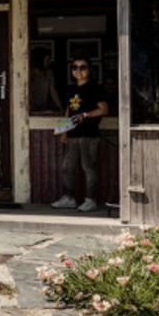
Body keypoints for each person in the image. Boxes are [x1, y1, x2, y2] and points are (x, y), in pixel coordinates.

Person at [52, 58, 109, 212]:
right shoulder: (70, 89)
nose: (78, 70)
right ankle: (69, 198)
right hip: (72, 134)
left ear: (89, 69)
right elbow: (68, 111)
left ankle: (91, 200)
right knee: (67, 167)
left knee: (88, 167)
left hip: (89, 134)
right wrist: (64, 132)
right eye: (75, 67)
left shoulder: (95, 88)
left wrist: (86, 114)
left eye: (83, 67)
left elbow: (103, 109)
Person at [29, 47, 61, 113]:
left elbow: (52, 91)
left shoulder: (49, 72)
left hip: (44, 108)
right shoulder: (29, 73)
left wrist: (60, 107)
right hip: (30, 108)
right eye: (47, 60)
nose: (48, 63)